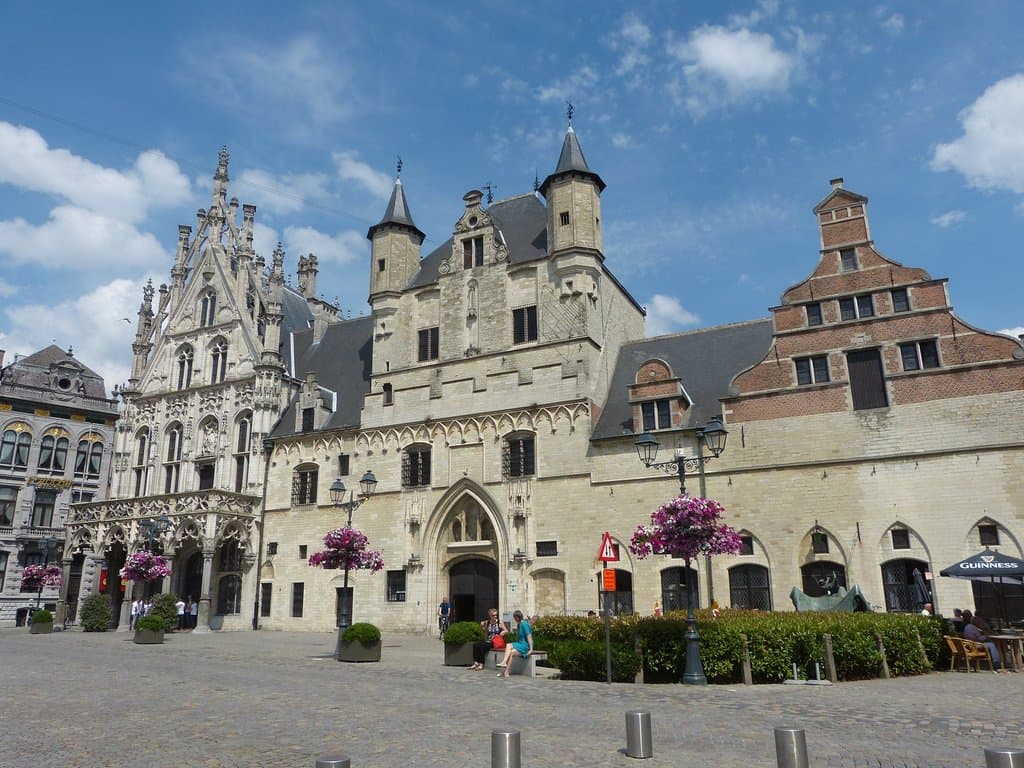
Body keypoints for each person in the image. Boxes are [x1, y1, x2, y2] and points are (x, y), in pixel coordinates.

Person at [496, 609, 533, 678]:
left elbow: (529, 636)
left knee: (508, 645)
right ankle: (506, 672)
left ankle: (504, 662)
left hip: (525, 646)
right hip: (520, 644)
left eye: (515, 617)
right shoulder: (519, 624)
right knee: (511, 652)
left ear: (518, 617)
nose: (514, 619)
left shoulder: (524, 624)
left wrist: (531, 649)